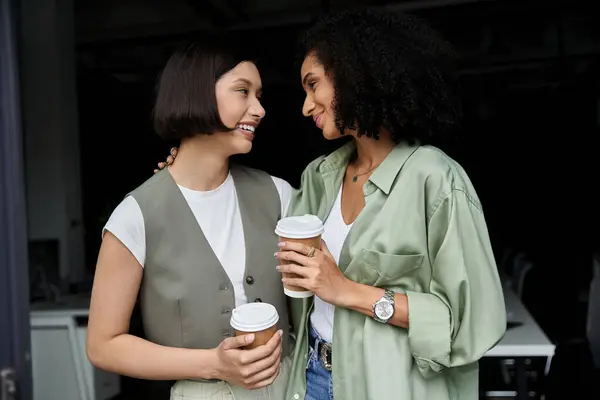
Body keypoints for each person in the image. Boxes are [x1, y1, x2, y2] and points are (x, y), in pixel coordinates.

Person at [159, 9, 506, 400]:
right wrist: (184, 169)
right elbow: (244, 214)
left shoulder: (435, 179)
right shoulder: (318, 178)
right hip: (312, 380)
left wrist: (346, 291)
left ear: (357, 74)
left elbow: (472, 321)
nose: (306, 106)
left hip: (391, 386)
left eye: (313, 85)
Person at [86, 40, 294, 400]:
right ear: (195, 94)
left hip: (293, 388)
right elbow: (103, 345)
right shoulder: (136, 215)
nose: (258, 109)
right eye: (242, 91)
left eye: (259, 95)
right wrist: (213, 363)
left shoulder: (279, 194)